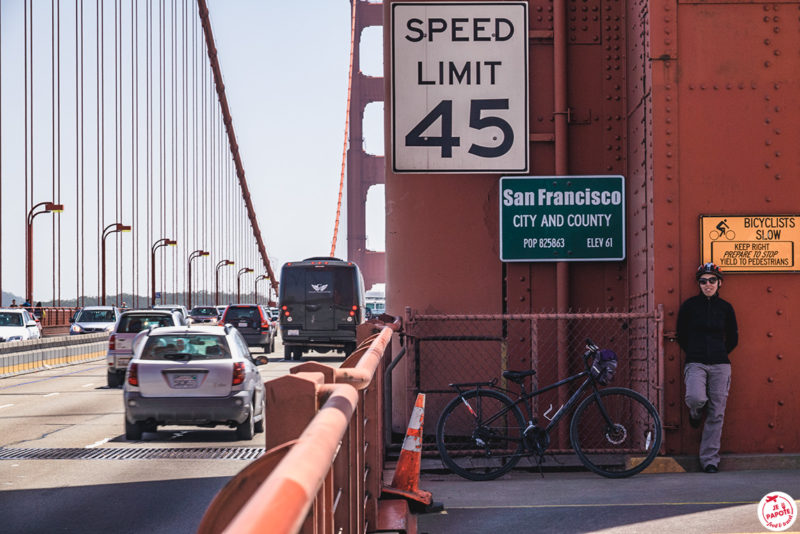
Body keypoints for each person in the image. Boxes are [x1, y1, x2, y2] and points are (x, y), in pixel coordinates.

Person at [676, 262, 738, 473]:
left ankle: (709, 460)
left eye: (712, 280)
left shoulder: (726, 308)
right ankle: (695, 413)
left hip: (721, 364)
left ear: (719, 283)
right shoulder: (689, 306)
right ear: (699, 284)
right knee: (696, 398)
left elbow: (733, 338)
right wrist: (695, 351)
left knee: (716, 413)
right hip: (696, 362)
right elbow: (681, 335)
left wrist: (719, 352)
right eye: (703, 281)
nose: (708, 284)